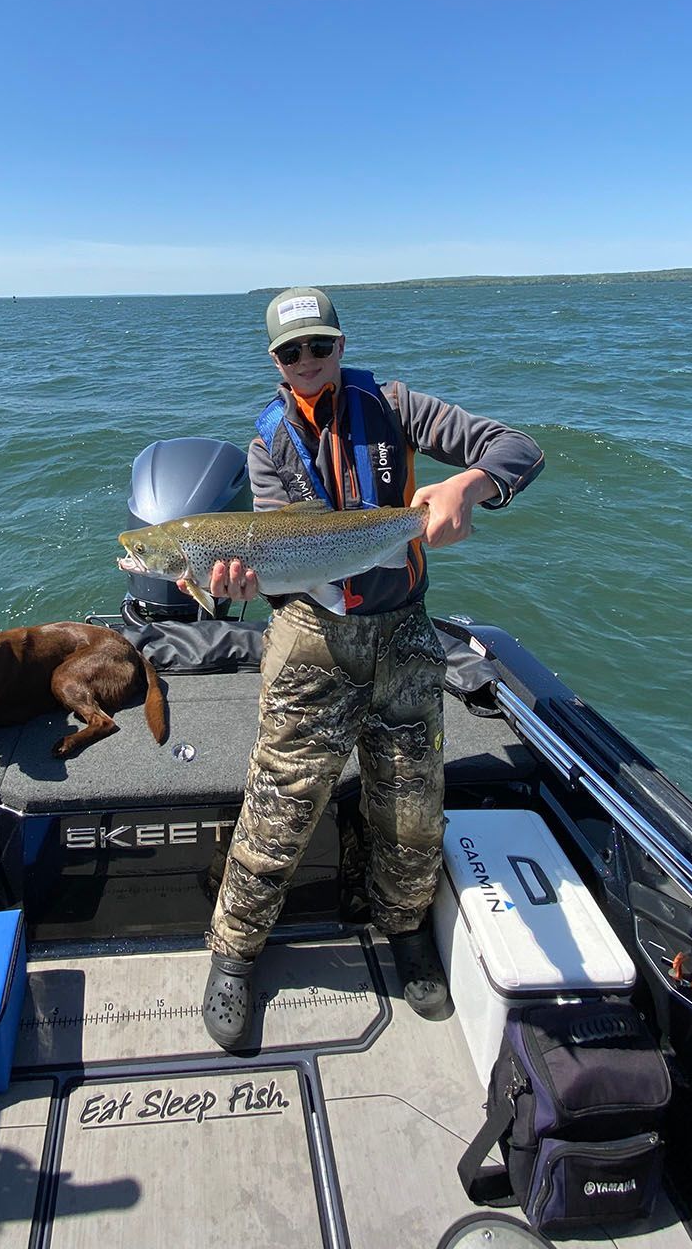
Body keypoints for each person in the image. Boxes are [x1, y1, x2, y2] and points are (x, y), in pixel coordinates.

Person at [195, 287, 544, 1050]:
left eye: (321, 346)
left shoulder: (398, 406)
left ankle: (405, 927)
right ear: (274, 362)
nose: (309, 362)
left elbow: (521, 449)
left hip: (406, 634)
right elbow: (281, 557)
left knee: (411, 807)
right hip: (312, 636)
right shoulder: (270, 443)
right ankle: (234, 949)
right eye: (292, 352)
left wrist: (463, 485)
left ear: (342, 346)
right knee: (280, 803)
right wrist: (242, 583)